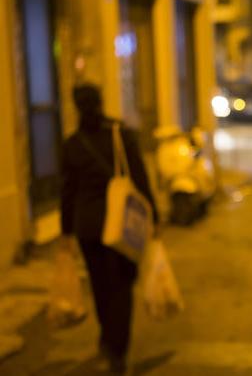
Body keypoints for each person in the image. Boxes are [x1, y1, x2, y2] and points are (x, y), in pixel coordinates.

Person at [60, 84, 158, 374]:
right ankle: (118, 349)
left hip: (88, 226)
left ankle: (107, 340)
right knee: (122, 286)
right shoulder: (120, 135)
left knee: (100, 286)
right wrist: (153, 215)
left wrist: (66, 231)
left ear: (76, 106)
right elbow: (139, 177)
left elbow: (67, 191)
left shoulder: (73, 144)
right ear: (101, 102)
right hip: (122, 224)